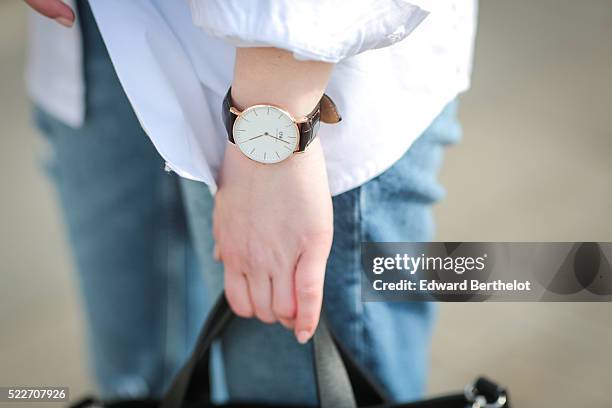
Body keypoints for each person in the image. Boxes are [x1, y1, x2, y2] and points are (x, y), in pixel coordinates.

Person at [25, 0, 477, 404]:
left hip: (300, 72)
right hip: (93, 33)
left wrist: (277, 121)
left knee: (295, 386)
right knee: (131, 380)